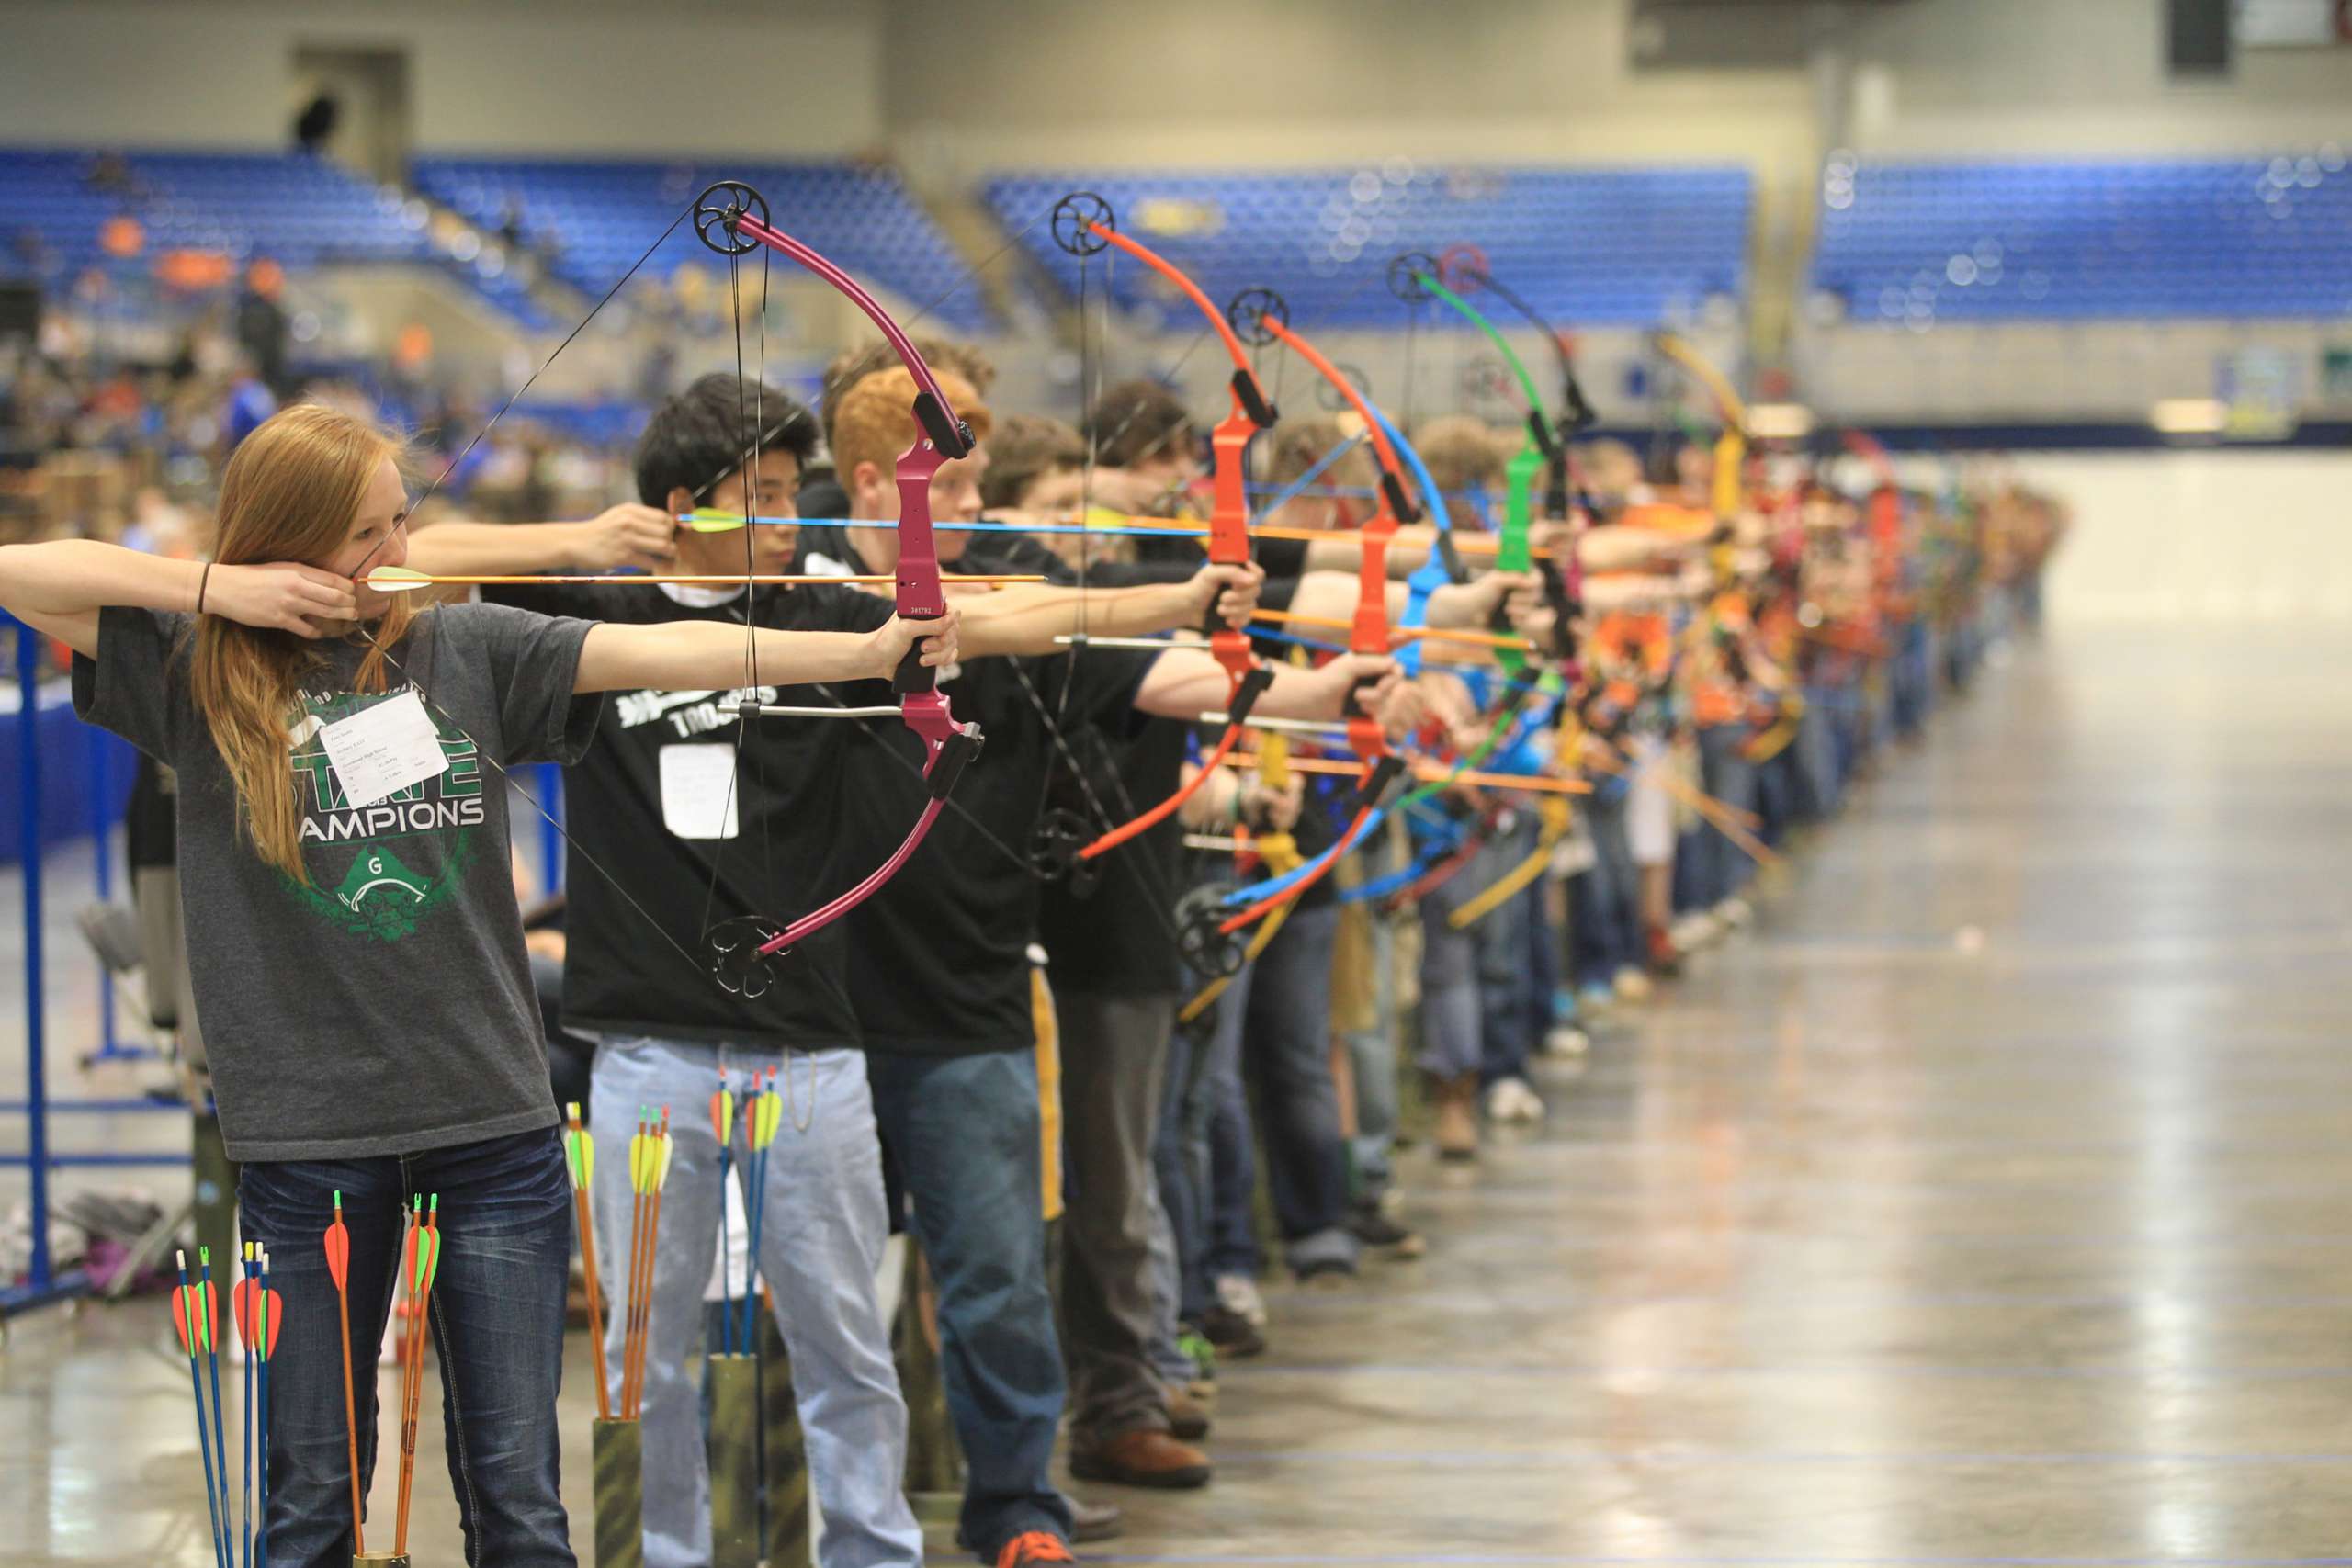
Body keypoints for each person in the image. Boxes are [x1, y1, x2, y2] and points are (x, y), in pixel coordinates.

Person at [0, 400, 956, 1568]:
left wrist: (863, 654)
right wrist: (215, 589)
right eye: (366, 534)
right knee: (308, 1499)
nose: (398, 555)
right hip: (307, 1142)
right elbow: (14, 570)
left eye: (402, 522)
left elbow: (672, 647)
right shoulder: (195, 670)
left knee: (517, 1499)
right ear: (286, 539)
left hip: (493, 1130)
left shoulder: (464, 647)